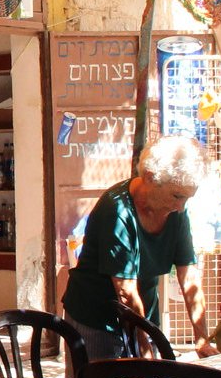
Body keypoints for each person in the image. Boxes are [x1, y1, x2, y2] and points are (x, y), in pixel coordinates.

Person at [62, 135, 208, 360]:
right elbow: (125, 291)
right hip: (96, 317)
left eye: (187, 198)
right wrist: (143, 346)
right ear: (150, 178)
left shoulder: (176, 211)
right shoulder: (118, 210)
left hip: (142, 315)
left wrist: (202, 338)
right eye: (177, 196)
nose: (181, 206)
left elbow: (188, 275)